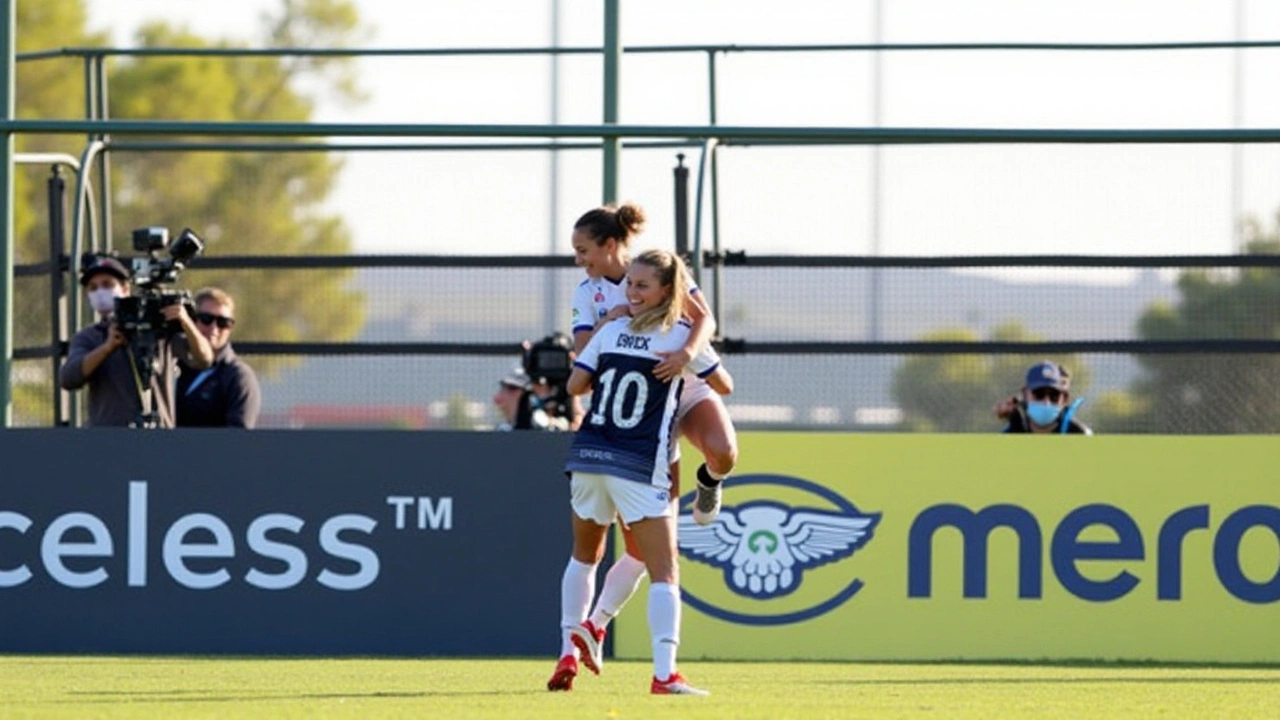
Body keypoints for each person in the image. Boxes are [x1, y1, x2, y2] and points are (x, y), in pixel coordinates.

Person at [562, 202, 740, 667]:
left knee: (723, 452)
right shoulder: (591, 294)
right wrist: (618, 320)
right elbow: (585, 358)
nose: (580, 260)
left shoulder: (663, 272)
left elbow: (705, 320)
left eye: (584, 250)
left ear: (610, 244)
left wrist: (684, 355)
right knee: (648, 549)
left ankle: (710, 483)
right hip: (641, 416)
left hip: (682, 382)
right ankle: (595, 626)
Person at [59, 253, 214, 428]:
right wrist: (107, 347)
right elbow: (69, 378)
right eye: (93, 288)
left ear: (125, 288)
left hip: (158, 435)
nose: (100, 292)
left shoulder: (160, 328)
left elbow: (204, 359)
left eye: (107, 284)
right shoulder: (90, 336)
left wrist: (186, 323)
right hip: (108, 438)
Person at [176, 287, 262, 428]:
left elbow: (239, 434)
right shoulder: (176, 366)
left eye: (223, 322)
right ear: (192, 320)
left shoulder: (238, 376)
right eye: (206, 319)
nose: (214, 328)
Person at [994, 360, 1093, 434]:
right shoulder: (1011, 434)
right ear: (1025, 394)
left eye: (1054, 396)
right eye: (1039, 394)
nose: (1046, 402)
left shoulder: (1080, 435)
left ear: (1064, 398)